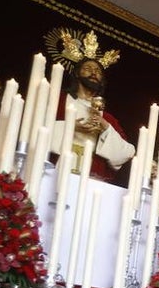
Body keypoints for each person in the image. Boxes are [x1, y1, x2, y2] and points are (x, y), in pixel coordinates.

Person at [48, 29, 135, 182]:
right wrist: (70, 127)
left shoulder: (107, 118)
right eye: (88, 68)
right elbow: (34, 129)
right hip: (55, 172)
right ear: (76, 73)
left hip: (92, 178)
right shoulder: (58, 101)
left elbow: (126, 152)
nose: (94, 73)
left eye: (98, 71)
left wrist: (105, 128)